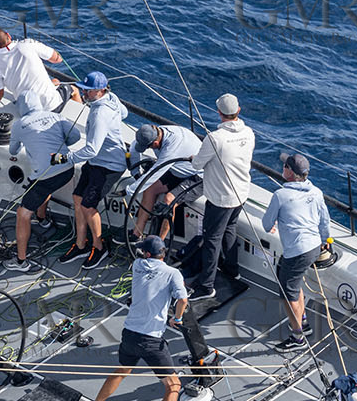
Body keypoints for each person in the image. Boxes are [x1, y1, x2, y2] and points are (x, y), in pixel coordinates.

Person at [84, 235, 189, 401]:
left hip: (130, 334)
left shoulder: (137, 265)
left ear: (147, 254)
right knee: (173, 386)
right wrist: (176, 318)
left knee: (122, 370)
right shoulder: (172, 273)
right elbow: (183, 299)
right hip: (151, 341)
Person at [56, 71, 129, 271]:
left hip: (109, 166)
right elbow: (124, 114)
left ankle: (99, 247)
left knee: (88, 206)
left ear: (100, 91)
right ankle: (80, 245)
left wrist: (65, 158)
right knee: (78, 198)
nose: (83, 93)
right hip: (98, 161)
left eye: (87, 90)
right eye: (83, 89)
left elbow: (91, 149)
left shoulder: (99, 114)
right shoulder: (111, 98)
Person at [187, 93, 256, 301]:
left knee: (211, 240)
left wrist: (196, 158)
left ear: (219, 113)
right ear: (238, 111)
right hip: (241, 193)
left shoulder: (215, 138)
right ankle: (232, 270)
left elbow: (197, 164)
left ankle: (206, 286)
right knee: (230, 230)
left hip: (220, 199)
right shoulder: (249, 133)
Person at [261, 153, 332, 350]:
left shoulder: (281, 195)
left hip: (297, 251)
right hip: (314, 246)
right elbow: (324, 222)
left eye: (285, 165)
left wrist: (277, 220)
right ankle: (304, 322)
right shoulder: (316, 191)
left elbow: (267, 225)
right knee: (292, 282)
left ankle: (298, 337)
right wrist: (326, 240)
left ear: (290, 172)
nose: (282, 167)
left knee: (287, 292)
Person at [4, 90, 81, 271]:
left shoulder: (20, 124)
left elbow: (13, 151)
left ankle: (21, 261)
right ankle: (42, 219)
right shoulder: (55, 116)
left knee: (22, 213)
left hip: (46, 176)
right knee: (40, 187)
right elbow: (75, 137)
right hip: (67, 170)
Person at [0, 28, 72, 114]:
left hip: (28, 111)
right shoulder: (28, 44)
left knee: (55, 81)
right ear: (9, 35)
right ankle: (80, 112)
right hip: (52, 106)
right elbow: (57, 59)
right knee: (74, 90)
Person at [130, 122, 203, 239]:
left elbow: (156, 172)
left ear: (155, 143)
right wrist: (135, 173)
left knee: (169, 200)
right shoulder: (152, 133)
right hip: (177, 169)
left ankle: (158, 244)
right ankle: (136, 233)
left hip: (198, 176)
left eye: (148, 147)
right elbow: (134, 148)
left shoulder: (172, 146)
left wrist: (131, 190)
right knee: (149, 189)